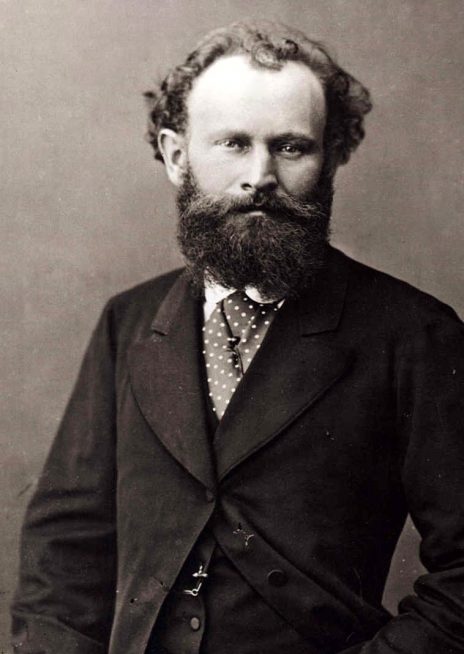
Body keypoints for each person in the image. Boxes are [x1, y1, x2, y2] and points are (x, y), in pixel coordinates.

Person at [11, 20, 464, 654]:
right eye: (232, 143)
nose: (260, 175)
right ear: (177, 157)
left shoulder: (414, 334)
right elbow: (64, 551)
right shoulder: (129, 322)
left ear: (331, 159)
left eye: (291, 147)